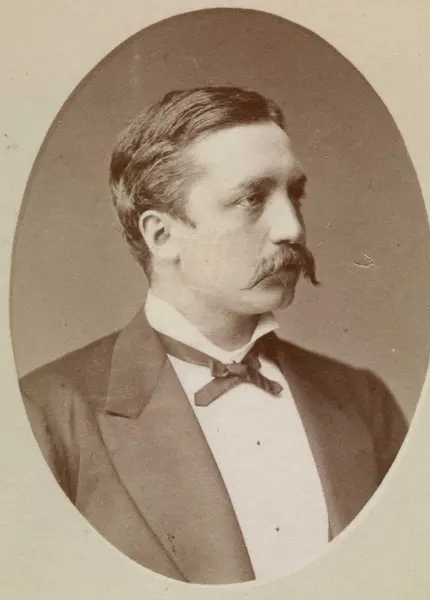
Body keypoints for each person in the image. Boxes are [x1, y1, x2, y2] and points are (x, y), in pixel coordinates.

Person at [20, 87, 407, 585]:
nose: (291, 228)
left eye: (294, 194)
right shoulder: (46, 416)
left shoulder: (362, 401)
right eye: (251, 199)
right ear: (162, 235)